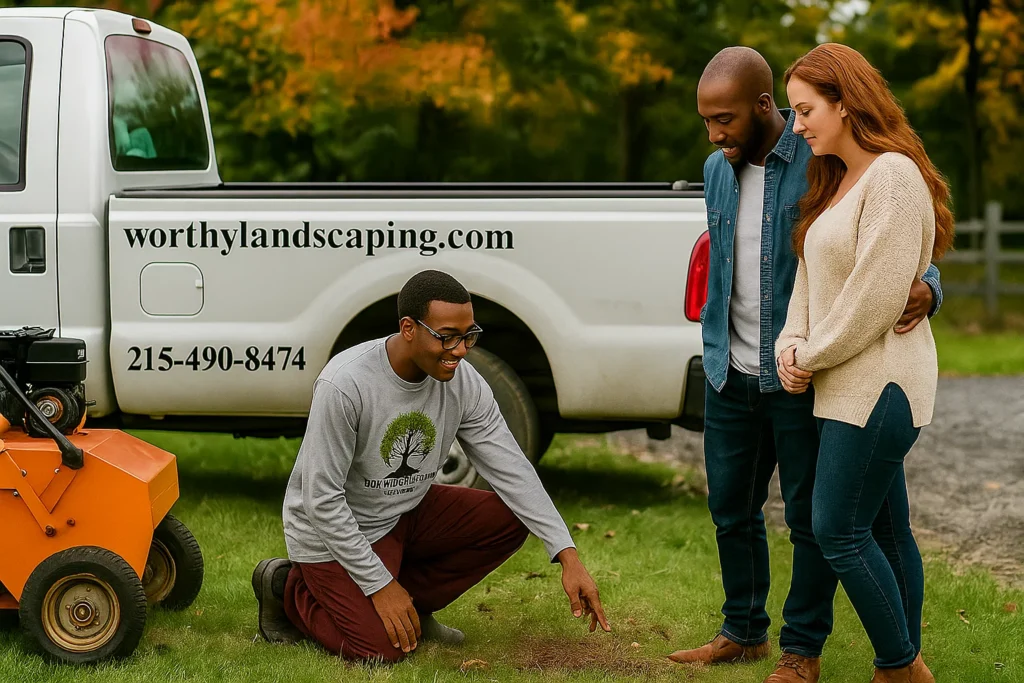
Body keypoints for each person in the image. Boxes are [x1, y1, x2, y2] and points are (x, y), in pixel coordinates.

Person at [668, 47, 944, 683]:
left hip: (802, 376)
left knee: (813, 522)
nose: (715, 134)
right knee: (730, 510)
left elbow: (880, 247)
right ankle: (742, 631)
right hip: (729, 371)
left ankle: (803, 650)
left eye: (726, 119)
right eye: (707, 122)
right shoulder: (716, 169)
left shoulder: (818, 162)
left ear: (766, 106)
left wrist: (929, 282)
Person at [250, 269, 610, 663]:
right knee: (382, 652)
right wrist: (379, 585)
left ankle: (413, 611)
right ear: (409, 328)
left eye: (468, 335)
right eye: (447, 336)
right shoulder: (345, 384)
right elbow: (320, 500)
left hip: (403, 513)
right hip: (331, 536)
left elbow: (512, 469)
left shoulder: (463, 382)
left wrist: (567, 554)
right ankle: (288, 590)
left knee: (509, 517)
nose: (460, 350)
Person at [775, 43, 953, 683]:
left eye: (805, 110)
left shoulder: (894, 177)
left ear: (845, 103)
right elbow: (807, 282)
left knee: (837, 530)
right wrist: (788, 348)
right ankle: (906, 666)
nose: (796, 126)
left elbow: (874, 299)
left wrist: (811, 354)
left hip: (880, 386)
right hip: (840, 384)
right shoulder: (834, 180)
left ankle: (900, 668)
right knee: (885, 526)